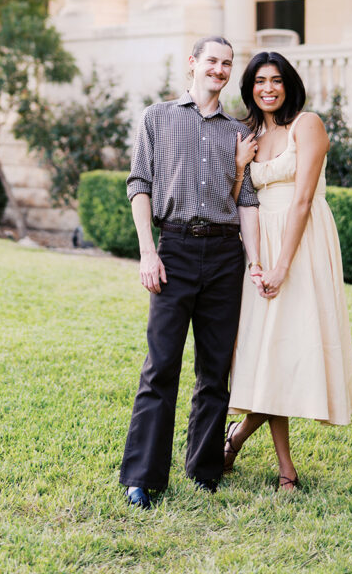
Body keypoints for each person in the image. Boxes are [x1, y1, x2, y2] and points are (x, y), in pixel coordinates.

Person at [120, 36, 260, 510]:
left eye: (227, 64)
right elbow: (139, 183)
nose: (219, 70)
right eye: (212, 61)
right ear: (193, 63)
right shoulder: (157, 118)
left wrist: (255, 260)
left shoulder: (238, 133)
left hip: (224, 255)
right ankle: (143, 477)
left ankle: (204, 471)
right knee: (161, 366)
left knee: (214, 370)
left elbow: (245, 200)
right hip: (174, 249)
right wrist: (148, 252)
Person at [223, 51, 352, 490]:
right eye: (260, 81)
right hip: (259, 247)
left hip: (302, 246)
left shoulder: (307, 124)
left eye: (276, 80)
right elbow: (238, 200)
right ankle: (286, 469)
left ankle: (238, 438)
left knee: (289, 349)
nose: (268, 88)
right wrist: (239, 166)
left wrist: (282, 266)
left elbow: (302, 200)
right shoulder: (249, 135)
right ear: (250, 88)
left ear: (289, 84)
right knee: (268, 351)